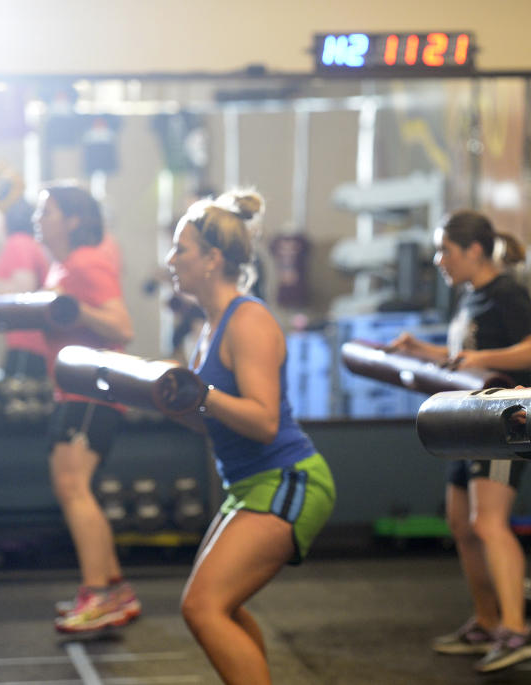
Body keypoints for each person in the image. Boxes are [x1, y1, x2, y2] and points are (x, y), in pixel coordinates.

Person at [166, 189, 336, 684]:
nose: (171, 260)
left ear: (213, 259)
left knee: (203, 607)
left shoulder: (250, 320)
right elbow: (213, 417)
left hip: (287, 479)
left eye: (182, 249)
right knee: (223, 607)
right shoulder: (210, 327)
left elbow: (262, 421)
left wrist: (198, 392)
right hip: (250, 483)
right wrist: (171, 400)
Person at [388, 210, 531, 673]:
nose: (439, 260)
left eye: (445, 250)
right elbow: (465, 359)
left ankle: (516, 629)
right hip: (468, 424)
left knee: (488, 524)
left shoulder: (507, 292)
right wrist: (423, 350)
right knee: (461, 524)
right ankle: (485, 621)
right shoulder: (470, 298)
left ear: (473, 251)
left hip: (504, 425)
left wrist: (482, 356)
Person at [34, 183, 140, 633]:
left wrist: (77, 310)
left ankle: (98, 595)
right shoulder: (63, 265)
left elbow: (122, 325)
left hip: (92, 392)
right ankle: (113, 590)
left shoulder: (86, 262)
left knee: (73, 487)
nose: (39, 218)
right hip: (72, 391)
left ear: (73, 219)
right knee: (73, 488)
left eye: (48, 211)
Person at [0, 198, 50, 379]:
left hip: (28, 342)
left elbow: (24, 289)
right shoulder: (25, 242)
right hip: (28, 341)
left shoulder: (18, 242)